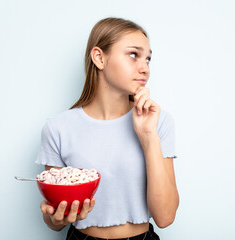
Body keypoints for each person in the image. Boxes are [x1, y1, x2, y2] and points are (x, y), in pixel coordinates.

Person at [35, 17, 179, 240]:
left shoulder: (158, 121)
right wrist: (54, 218)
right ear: (99, 58)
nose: (145, 68)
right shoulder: (58, 129)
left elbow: (165, 217)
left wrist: (148, 136)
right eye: (134, 55)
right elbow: (55, 218)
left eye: (148, 59)